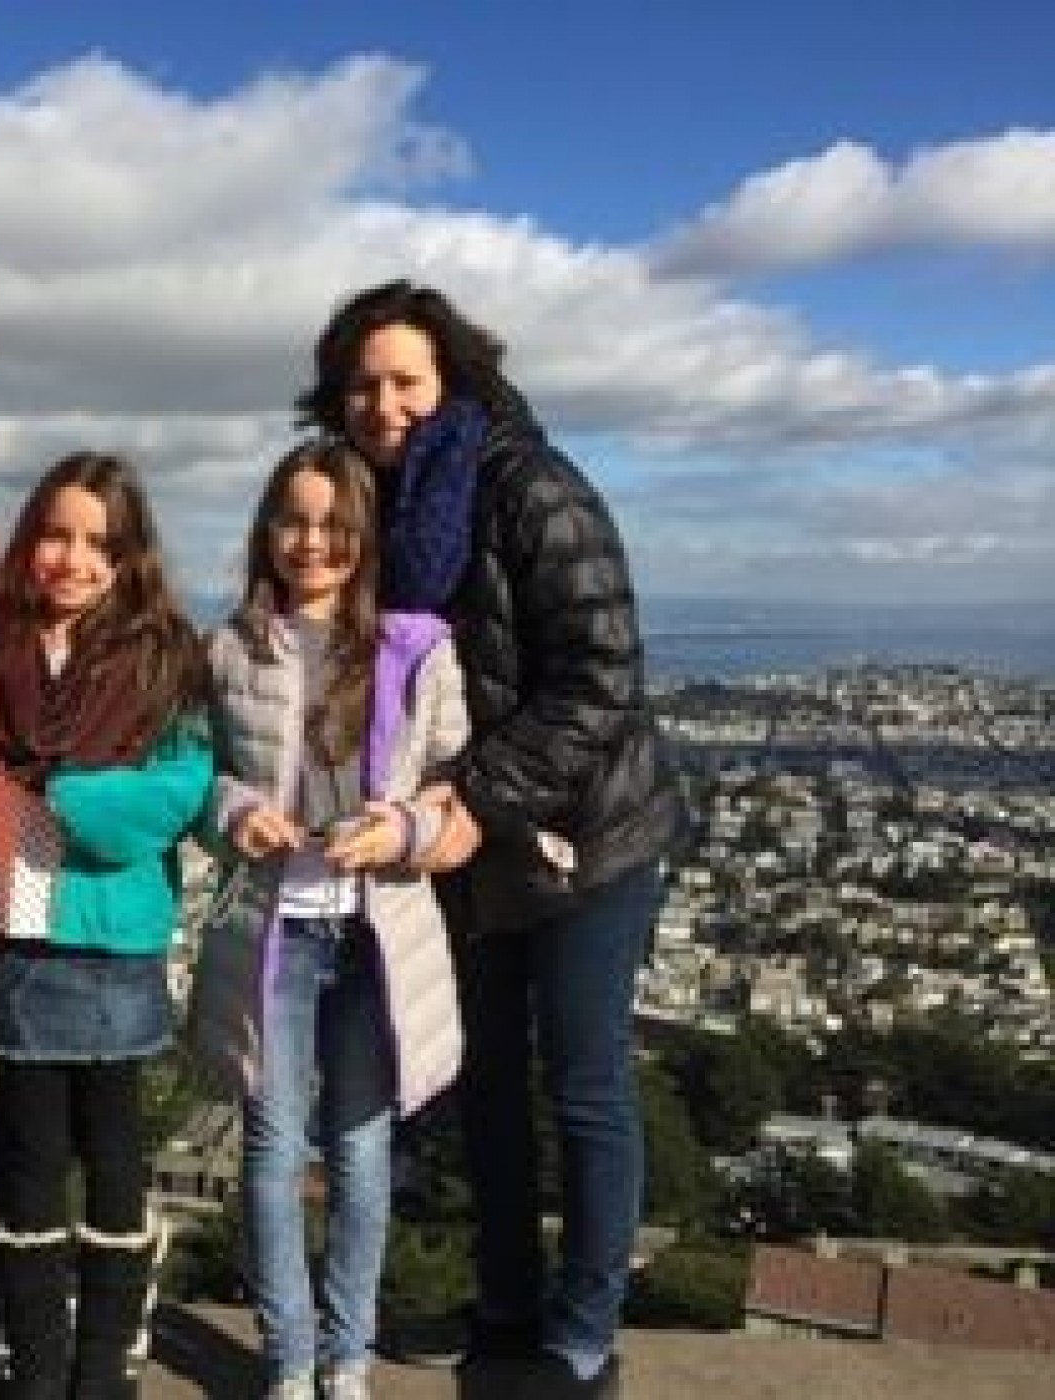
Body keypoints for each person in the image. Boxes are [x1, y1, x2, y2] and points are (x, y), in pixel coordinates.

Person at [298, 280, 684, 1399]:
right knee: (485, 1085)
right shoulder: (370, 509)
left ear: (452, 378)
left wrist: (474, 796)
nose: (383, 403)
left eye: (404, 379)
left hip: (580, 834)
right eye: (361, 384)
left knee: (583, 1079)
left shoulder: (530, 485)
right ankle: (508, 1303)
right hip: (463, 845)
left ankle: (582, 1328)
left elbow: (601, 676)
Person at [190, 437, 469, 1400]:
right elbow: (203, 780)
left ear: (361, 533)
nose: (311, 542)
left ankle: (347, 1358)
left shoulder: (413, 646)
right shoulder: (227, 648)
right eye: (292, 520)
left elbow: (451, 782)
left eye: (332, 523)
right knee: (271, 1151)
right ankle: (290, 1357)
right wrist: (233, 812)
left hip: (376, 933)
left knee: (358, 1151)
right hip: (274, 930)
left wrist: (396, 826)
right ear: (264, 532)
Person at [0, 452, 212, 1399]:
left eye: (96, 543)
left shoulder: (161, 659)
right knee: (31, 1156)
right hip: (17, 925)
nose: (71, 559)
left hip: (113, 935)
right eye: (55, 535)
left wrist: (64, 789)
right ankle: (34, 1359)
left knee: (114, 1154)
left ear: (129, 559)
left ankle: (101, 1361)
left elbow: (177, 799)